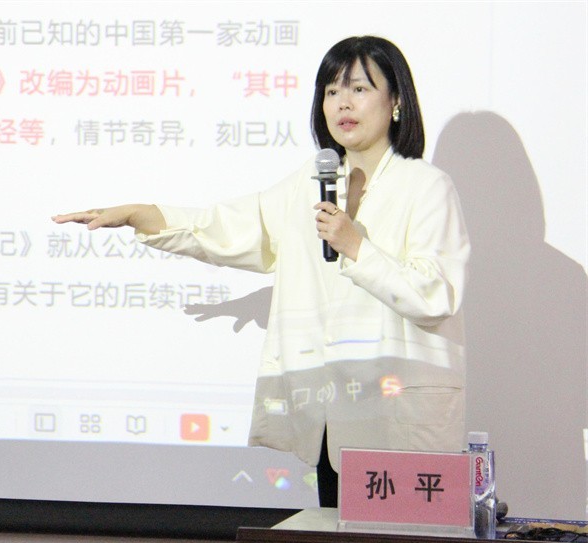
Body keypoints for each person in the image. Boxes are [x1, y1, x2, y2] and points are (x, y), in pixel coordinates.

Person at [53, 36, 470, 508]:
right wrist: (140, 214)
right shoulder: (311, 185)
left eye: (358, 89)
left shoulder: (427, 187)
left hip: (398, 420)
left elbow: (436, 294)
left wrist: (356, 247)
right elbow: (229, 226)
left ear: (396, 101)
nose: (342, 103)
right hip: (333, 419)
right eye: (331, 91)